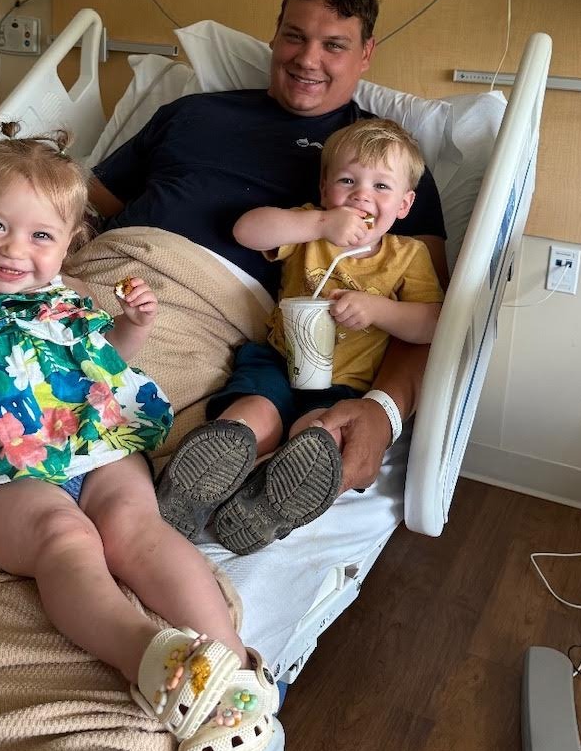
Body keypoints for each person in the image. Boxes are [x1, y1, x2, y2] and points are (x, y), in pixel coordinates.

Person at [0, 123, 278, 751]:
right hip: (2, 470)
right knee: (64, 538)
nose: (15, 250)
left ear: (70, 242)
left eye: (41, 236)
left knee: (137, 529)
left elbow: (100, 368)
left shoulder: (66, 298)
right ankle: (151, 660)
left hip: (94, 447)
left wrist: (132, 328)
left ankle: (235, 667)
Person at [89, 0, 448, 503]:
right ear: (275, 36)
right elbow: (91, 201)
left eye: (334, 45)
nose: (307, 59)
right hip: (100, 269)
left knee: (70, 399)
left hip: (194, 310)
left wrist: (384, 412)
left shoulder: (379, 164)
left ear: (365, 54)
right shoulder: (191, 112)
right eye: (294, 37)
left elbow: (426, 312)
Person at [157, 118, 443, 553]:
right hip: (277, 360)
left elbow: (432, 324)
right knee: (253, 413)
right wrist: (320, 223)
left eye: (381, 186)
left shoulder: (407, 256)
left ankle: (271, 500)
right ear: (325, 188)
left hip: (345, 386)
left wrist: (379, 310)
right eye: (347, 181)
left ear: (404, 205)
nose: (362, 195)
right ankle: (203, 476)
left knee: (322, 432)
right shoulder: (310, 229)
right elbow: (246, 230)